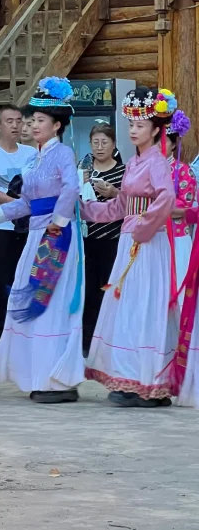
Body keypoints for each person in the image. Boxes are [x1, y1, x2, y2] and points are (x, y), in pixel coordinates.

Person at [0, 78, 85, 404]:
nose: (33, 125)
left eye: (40, 120)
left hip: (57, 235)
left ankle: (56, 380)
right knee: (31, 302)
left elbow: (71, 189)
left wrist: (58, 223)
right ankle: (39, 376)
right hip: (37, 234)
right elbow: (26, 203)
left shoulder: (63, 153)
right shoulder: (36, 159)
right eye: (32, 119)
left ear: (57, 125)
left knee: (51, 303)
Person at [82, 88, 178, 408]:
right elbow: (121, 205)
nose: (133, 130)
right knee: (128, 308)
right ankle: (132, 378)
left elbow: (166, 199)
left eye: (140, 125)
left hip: (147, 243)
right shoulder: (136, 161)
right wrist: (86, 209)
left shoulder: (157, 161)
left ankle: (148, 382)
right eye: (131, 125)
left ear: (155, 129)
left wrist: (144, 227)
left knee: (144, 308)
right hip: (131, 239)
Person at [0, 105, 36, 352]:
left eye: (18, 120)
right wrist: (20, 205)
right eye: (9, 121)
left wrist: (24, 207)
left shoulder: (31, 153)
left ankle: (19, 331)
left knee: (22, 279)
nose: (15, 125)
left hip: (26, 228)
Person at [81, 124, 125, 353]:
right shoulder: (84, 170)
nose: (99, 147)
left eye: (104, 142)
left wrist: (114, 193)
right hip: (87, 239)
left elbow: (130, 202)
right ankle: (87, 340)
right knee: (87, 291)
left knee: (109, 289)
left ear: (113, 144)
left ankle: (109, 340)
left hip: (113, 239)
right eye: (95, 142)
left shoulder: (123, 171)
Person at [163, 110, 196, 296]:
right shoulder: (147, 168)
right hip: (153, 234)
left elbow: (184, 206)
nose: (160, 146)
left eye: (164, 141)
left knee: (178, 289)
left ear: (174, 144)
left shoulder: (183, 171)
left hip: (176, 235)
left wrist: (155, 208)